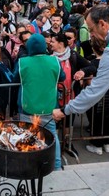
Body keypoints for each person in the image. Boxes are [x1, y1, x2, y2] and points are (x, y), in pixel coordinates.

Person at [52, 4, 109, 196]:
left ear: (102, 24)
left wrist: (64, 111)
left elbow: (95, 91)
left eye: (91, 30)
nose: (91, 35)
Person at [13, 33, 65, 171]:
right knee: (52, 137)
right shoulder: (54, 61)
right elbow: (62, 77)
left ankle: (27, 167)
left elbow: (14, 78)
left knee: (26, 137)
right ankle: (57, 166)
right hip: (49, 108)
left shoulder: (22, 62)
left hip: (27, 108)